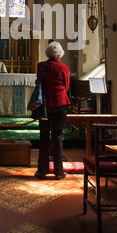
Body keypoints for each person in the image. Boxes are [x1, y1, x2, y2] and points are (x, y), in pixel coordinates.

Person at [35, 41, 70, 180]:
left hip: (44, 105)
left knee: (43, 136)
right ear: (60, 54)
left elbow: (39, 81)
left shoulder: (40, 66)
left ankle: (42, 171)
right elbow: (66, 86)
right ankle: (59, 172)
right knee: (58, 136)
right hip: (60, 104)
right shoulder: (63, 68)